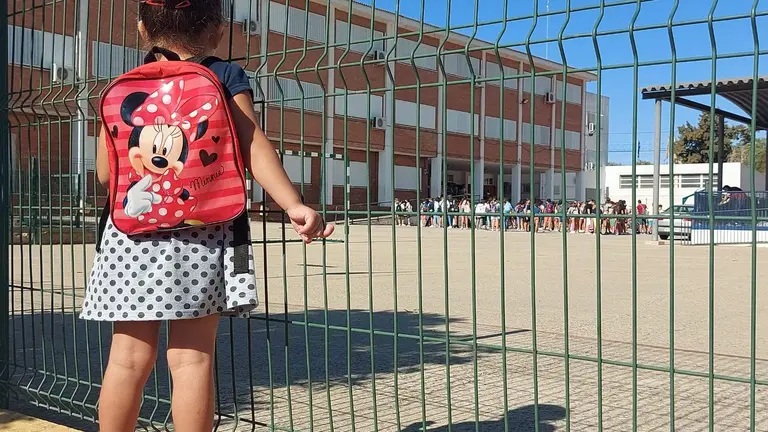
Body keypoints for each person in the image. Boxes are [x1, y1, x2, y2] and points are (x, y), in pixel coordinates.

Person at [81, 2, 335, 430]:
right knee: (191, 360)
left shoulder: (126, 86)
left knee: (126, 359)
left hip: (129, 235)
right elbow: (252, 143)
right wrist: (294, 204)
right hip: (203, 232)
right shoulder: (224, 75)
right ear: (217, 30)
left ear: (143, 29)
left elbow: (108, 174)